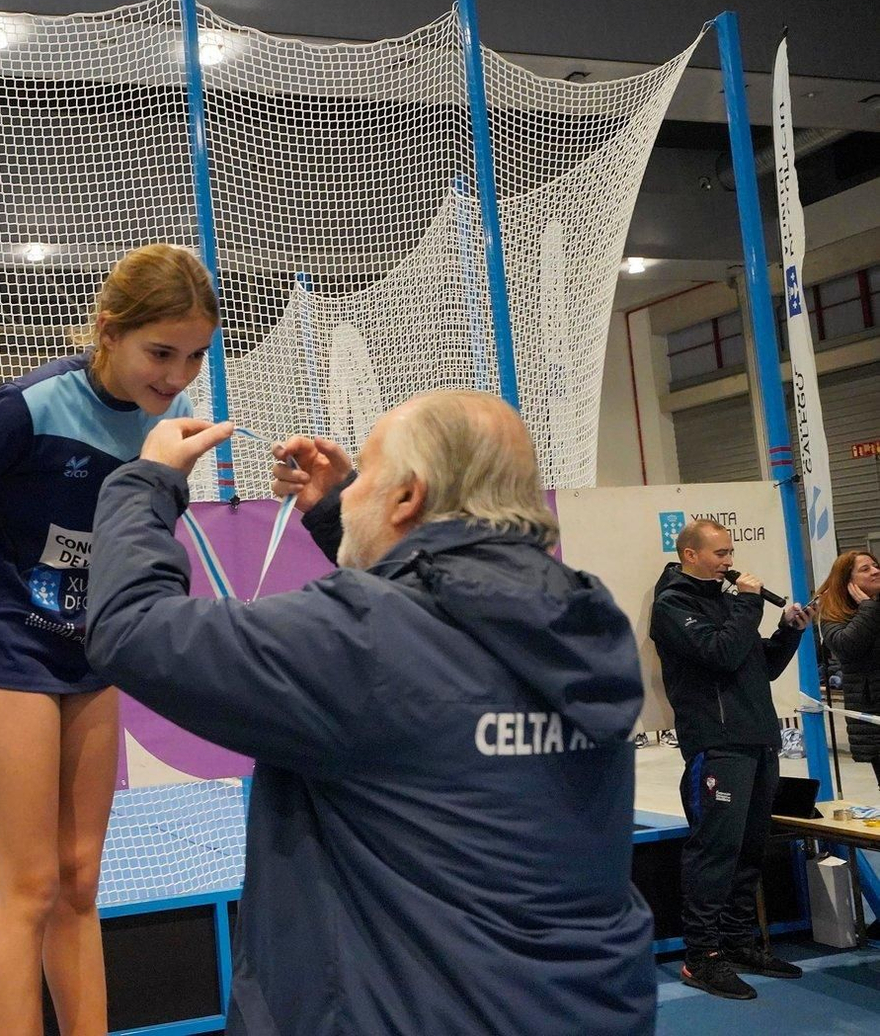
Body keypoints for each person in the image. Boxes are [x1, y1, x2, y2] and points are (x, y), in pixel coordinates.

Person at [85, 390, 654, 1035]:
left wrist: (148, 482)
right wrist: (342, 514)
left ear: (408, 498)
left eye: (366, 477)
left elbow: (130, 629)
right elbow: (428, 643)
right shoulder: (585, 621)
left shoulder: (365, 643)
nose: (350, 490)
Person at [0, 244, 216, 1035]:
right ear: (109, 330)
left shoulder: (160, 431)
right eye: (160, 352)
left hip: (89, 659)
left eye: (195, 356)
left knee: (80, 878)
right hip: (8, 656)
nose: (175, 376)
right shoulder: (29, 408)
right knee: (28, 886)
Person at [649, 519, 812, 1000]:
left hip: (757, 738)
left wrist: (788, 632)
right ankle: (702, 957)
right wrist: (747, 602)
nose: (728, 560)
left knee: (749, 851)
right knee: (714, 853)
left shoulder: (726, 599)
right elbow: (718, 654)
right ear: (690, 555)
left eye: (730, 551)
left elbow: (757, 663)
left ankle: (740, 944)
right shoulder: (672, 604)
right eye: (719, 552)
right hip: (717, 744)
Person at [817, 551, 880, 786]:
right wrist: (867, 608)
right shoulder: (834, 616)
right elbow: (848, 646)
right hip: (872, 710)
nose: (875, 570)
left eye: (875, 565)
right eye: (865, 569)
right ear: (847, 581)